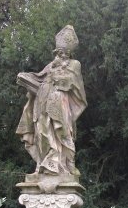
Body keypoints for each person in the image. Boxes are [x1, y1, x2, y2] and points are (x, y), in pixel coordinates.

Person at [16, 26, 87, 178]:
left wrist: (57, 78)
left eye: (65, 52)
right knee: (41, 131)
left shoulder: (75, 64)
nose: (62, 55)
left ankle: (66, 164)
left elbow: (74, 83)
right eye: (59, 52)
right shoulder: (50, 65)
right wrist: (26, 79)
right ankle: (42, 166)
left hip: (61, 101)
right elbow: (39, 78)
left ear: (70, 53)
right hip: (42, 101)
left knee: (62, 131)